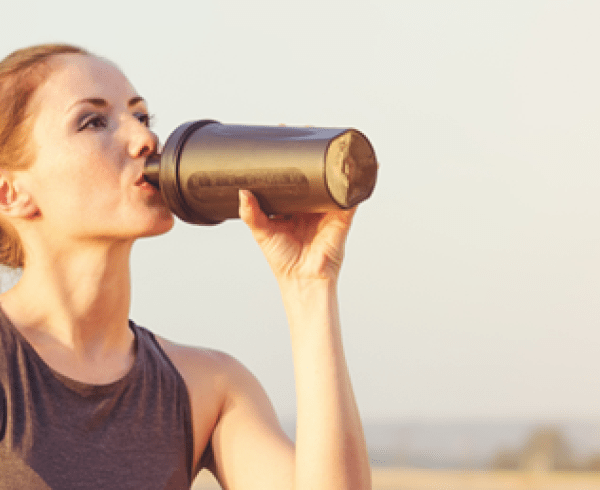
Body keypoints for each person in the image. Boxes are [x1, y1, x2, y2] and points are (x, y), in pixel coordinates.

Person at [0, 44, 371, 489]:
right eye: (93, 121)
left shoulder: (207, 387)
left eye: (141, 117)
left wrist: (309, 286)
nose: (145, 140)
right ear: (10, 193)